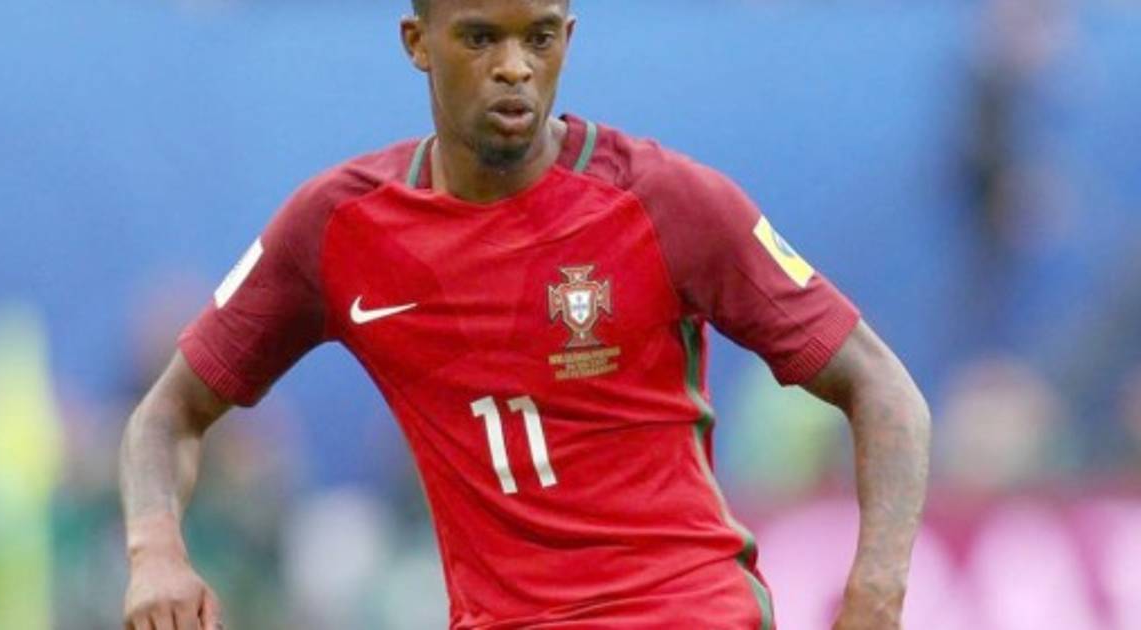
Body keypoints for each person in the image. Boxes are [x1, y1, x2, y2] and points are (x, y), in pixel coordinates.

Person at [119, 1, 932, 628]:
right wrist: (156, 553)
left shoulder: (665, 202)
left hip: (682, 610)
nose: (514, 68)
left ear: (568, 39)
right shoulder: (338, 229)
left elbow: (882, 387)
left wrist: (876, 591)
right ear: (416, 42)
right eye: (480, 38)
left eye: (539, 38)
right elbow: (165, 417)